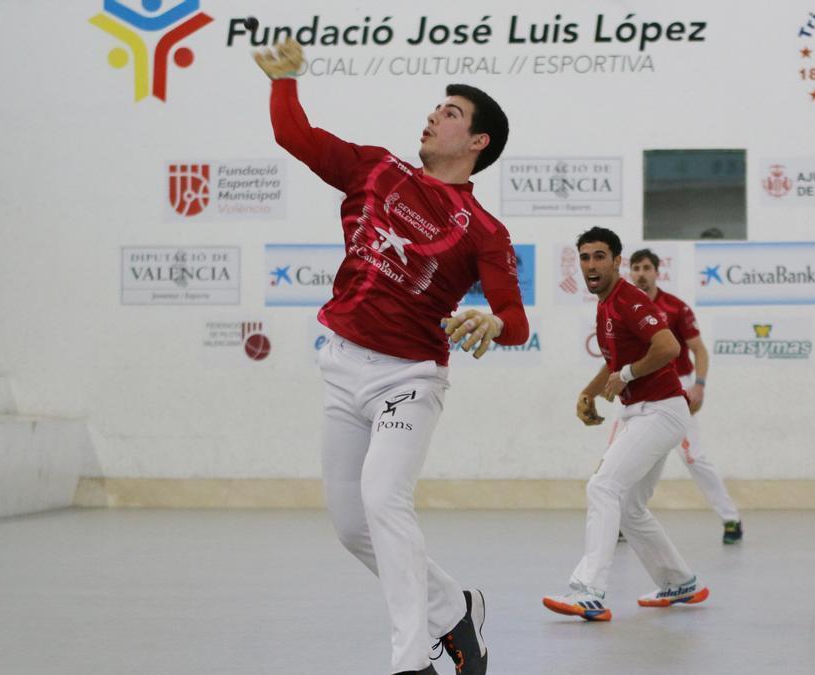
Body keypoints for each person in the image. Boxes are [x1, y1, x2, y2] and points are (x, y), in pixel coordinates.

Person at [254, 39, 528, 675]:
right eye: (435, 107)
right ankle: (455, 607)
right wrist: (285, 81)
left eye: (452, 111)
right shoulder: (377, 169)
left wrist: (491, 318)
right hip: (343, 363)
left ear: (478, 141)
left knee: (385, 501)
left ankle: (411, 661)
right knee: (354, 527)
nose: (434, 115)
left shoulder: (484, 230)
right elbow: (294, 134)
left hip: (409, 377)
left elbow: (514, 322)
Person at [543, 227, 708, 622]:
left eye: (600, 257)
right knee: (631, 507)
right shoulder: (606, 304)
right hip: (645, 412)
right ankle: (679, 580)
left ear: (618, 261)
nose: (591, 265)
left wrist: (630, 374)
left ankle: (588, 592)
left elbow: (668, 346)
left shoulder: (628, 298)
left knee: (603, 486)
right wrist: (588, 392)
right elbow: (614, 364)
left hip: (661, 410)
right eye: (584, 258)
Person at [627, 248, 742, 544]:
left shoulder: (675, 308)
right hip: (639, 388)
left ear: (657, 272)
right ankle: (622, 520)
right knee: (627, 454)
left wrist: (699, 384)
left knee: (692, 456)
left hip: (677, 388)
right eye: (636, 267)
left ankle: (731, 520)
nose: (641, 273)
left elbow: (699, 349)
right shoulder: (625, 307)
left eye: (646, 268)